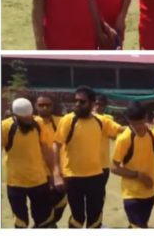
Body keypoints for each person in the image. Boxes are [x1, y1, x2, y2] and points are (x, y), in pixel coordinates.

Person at [52, 86, 123, 228]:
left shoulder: (101, 121)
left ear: (92, 103)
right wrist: (56, 173)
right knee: (77, 216)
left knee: (95, 216)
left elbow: (123, 132)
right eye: (76, 101)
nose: (77, 104)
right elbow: (57, 144)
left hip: (96, 177)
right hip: (73, 177)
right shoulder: (68, 120)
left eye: (82, 102)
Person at [110, 102, 154, 228]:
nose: (138, 126)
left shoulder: (153, 134)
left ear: (146, 118)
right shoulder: (124, 139)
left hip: (150, 192)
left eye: (141, 122)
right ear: (128, 120)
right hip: (132, 194)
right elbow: (114, 168)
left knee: (139, 225)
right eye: (134, 123)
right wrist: (138, 175)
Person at [2, 98, 54, 228]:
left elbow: (47, 150)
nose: (28, 120)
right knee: (20, 223)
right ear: (15, 115)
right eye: (24, 118)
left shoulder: (39, 123)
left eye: (29, 117)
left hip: (39, 181)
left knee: (43, 221)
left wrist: (54, 174)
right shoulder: (6, 127)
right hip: (15, 183)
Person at [34, 94, 66, 226]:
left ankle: (49, 223)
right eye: (41, 105)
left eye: (48, 105)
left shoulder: (62, 122)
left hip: (60, 170)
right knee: (41, 205)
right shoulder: (31, 122)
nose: (45, 108)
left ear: (53, 106)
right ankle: (44, 226)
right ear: (36, 106)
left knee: (62, 200)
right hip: (39, 172)